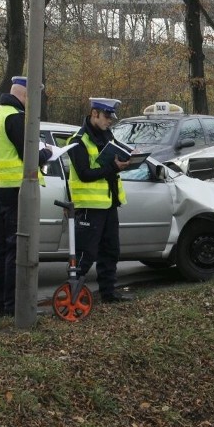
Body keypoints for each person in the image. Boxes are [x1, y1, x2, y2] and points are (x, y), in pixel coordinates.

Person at [0, 76, 53, 318]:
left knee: (0, 250)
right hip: (16, 192)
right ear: (25, 95)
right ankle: (14, 306)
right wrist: (47, 153)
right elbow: (30, 155)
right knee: (16, 250)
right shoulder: (15, 117)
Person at [67, 98, 133, 303]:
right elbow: (85, 174)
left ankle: (109, 293)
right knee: (85, 255)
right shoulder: (78, 141)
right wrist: (113, 167)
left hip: (108, 203)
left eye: (111, 118)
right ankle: (73, 296)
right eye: (106, 117)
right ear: (94, 113)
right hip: (89, 206)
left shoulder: (107, 136)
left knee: (110, 251)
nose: (109, 122)